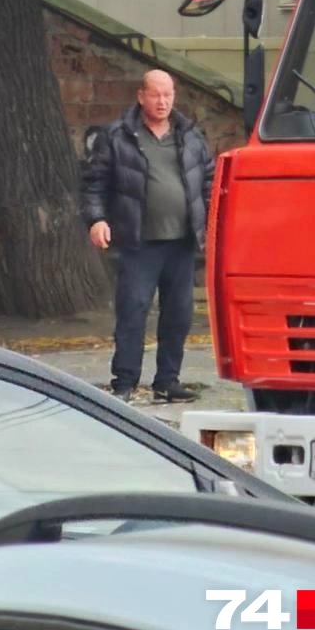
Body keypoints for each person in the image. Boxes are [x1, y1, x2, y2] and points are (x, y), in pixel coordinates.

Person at [81, 69, 214, 403]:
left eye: (168, 94)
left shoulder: (190, 136)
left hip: (182, 242)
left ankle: (167, 381)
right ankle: (125, 382)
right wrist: (96, 219)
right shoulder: (118, 136)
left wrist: (213, 223)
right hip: (138, 240)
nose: (163, 101)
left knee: (179, 313)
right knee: (132, 310)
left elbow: (211, 181)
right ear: (141, 96)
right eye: (155, 94)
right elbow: (94, 182)